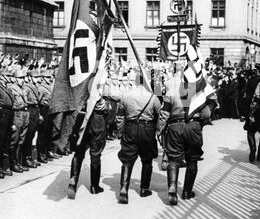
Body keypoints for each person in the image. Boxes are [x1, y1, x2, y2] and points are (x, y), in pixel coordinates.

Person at [156, 62, 215, 206]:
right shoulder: (198, 92)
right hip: (193, 127)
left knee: (174, 159)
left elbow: (164, 114)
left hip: (175, 126)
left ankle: (172, 188)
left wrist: (159, 129)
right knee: (192, 159)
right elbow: (207, 113)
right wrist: (202, 120)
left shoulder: (172, 91)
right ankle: (187, 191)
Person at [116, 72, 161, 204]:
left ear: (135, 81)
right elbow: (159, 115)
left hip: (130, 128)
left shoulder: (125, 96)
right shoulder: (153, 97)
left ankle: (124, 189)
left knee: (127, 160)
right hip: (147, 129)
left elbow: (119, 117)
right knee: (147, 160)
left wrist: (120, 132)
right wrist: (157, 131)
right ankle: (144, 188)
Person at [67, 96, 109, 200]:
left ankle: (73, 180)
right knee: (95, 153)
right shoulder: (98, 84)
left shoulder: (82, 85)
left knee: (79, 152)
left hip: (81, 117)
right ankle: (94, 186)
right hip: (97, 119)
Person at [0, 69, 14, 178]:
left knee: (5, 142)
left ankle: (2, 166)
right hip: (1, 115)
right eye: (7, 76)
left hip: (7, 115)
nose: (10, 77)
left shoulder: (6, 88)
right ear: (1, 77)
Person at [8, 69, 30, 173]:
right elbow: (11, 104)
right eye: (20, 78)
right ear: (15, 79)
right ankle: (13, 163)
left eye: (23, 78)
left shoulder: (24, 88)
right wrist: (21, 105)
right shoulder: (11, 88)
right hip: (17, 115)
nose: (22, 80)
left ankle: (18, 162)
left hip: (25, 114)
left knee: (22, 140)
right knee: (15, 140)